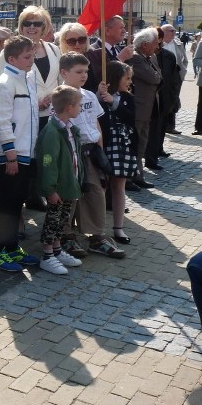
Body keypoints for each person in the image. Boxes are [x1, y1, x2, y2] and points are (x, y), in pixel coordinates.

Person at [57, 52, 125, 259]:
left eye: (86, 71)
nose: (84, 75)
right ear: (64, 72)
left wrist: (100, 150)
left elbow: (95, 123)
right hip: (70, 153)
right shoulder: (57, 98)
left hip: (90, 151)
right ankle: (66, 235)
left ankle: (97, 236)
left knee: (95, 192)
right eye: (79, 72)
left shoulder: (88, 96)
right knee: (71, 195)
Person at [0, 6, 61, 212]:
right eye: (27, 23)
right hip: (22, 119)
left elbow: (60, 79)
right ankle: (19, 210)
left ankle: (34, 195)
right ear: (20, 26)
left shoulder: (53, 49)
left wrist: (56, 96)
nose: (31, 27)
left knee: (43, 159)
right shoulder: (11, 51)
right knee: (23, 164)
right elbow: (2, 86)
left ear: (46, 27)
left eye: (37, 23)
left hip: (49, 116)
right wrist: (35, 102)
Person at [0, 35, 41, 271]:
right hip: (11, 155)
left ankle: (10, 247)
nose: (32, 60)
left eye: (32, 56)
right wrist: (10, 153)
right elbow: (0, 120)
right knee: (4, 203)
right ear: (12, 58)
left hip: (25, 152)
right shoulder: (5, 83)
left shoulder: (26, 79)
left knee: (16, 202)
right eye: (27, 57)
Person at [34, 85, 85, 275]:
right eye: (79, 105)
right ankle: (47, 255)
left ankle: (56, 249)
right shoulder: (52, 132)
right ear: (70, 107)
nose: (81, 108)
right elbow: (48, 162)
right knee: (53, 220)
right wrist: (50, 189)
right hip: (57, 188)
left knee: (63, 220)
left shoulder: (69, 128)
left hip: (69, 185)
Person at [98, 61, 137, 246]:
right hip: (106, 144)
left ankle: (118, 227)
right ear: (115, 78)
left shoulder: (127, 98)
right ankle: (98, 229)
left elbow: (130, 117)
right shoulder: (101, 97)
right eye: (126, 78)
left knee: (119, 187)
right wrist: (101, 97)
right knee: (101, 185)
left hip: (123, 146)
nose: (129, 81)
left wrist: (114, 102)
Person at [127, 28, 162, 188]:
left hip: (148, 109)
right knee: (134, 143)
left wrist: (156, 76)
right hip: (138, 108)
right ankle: (130, 177)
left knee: (142, 143)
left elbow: (159, 76)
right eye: (155, 43)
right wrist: (156, 76)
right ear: (145, 45)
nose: (157, 46)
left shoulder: (150, 57)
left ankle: (138, 175)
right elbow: (153, 77)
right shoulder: (135, 58)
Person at [146, 27, 180, 168]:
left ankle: (158, 149)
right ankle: (150, 157)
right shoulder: (144, 56)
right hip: (151, 99)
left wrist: (174, 97)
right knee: (152, 129)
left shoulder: (168, 55)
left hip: (165, 96)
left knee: (161, 126)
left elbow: (174, 79)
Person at [85, 14, 133, 92]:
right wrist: (120, 58)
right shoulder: (93, 51)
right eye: (121, 28)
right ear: (107, 31)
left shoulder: (119, 49)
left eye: (124, 27)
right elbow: (100, 77)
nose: (124, 31)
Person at [160, 24, 187, 135]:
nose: (174, 32)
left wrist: (182, 73)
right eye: (171, 30)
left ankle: (170, 126)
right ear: (164, 32)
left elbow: (184, 59)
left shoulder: (178, 44)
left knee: (173, 99)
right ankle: (162, 125)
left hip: (176, 76)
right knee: (162, 100)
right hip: (161, 76)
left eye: (174, 30)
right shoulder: (158, 44)